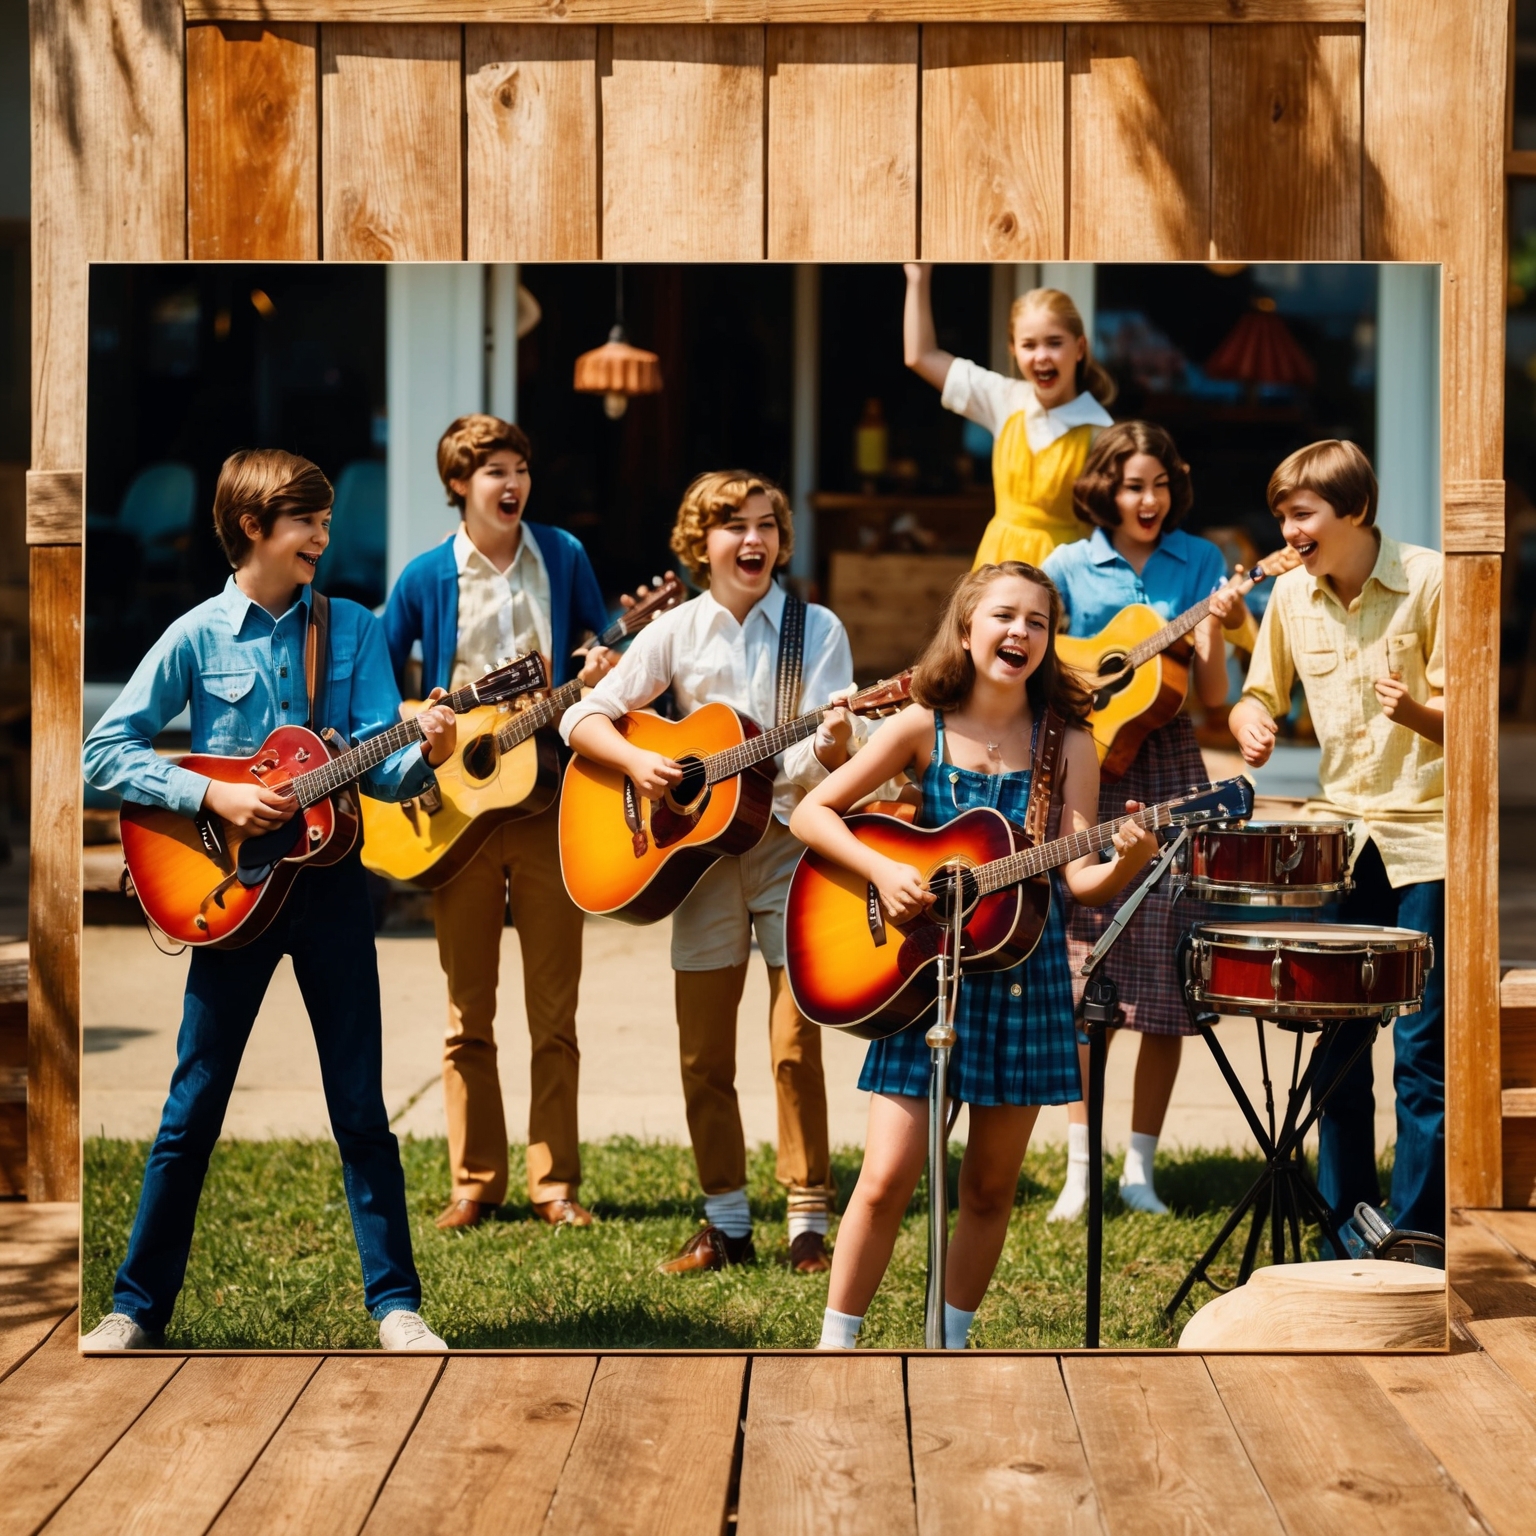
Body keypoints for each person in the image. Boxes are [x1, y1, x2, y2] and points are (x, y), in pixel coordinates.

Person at [81, 449, 457, 1351]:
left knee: (360, 1109)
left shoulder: (355, 629)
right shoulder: (196, 634)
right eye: (308, 525)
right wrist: (213, 796)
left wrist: (430, 747)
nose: (323, 541)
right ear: (253, 528)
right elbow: (105, 751)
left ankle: (397, 1308)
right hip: (229, 892)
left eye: (325, 524)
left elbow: (385, 764)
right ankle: (135, 1308)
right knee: (192, 1106)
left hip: (328, 893)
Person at [790, 561, 1159, 1350]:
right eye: (1003, 616)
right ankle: (836, 1344)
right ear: (966, 630)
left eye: (1036, 621)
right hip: (923, 977)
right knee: (888, 1176)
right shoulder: (923, 725)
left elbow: (1080, 876)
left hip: (1024, 980)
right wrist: (887, 873)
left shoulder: (1068, 747)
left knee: (990, 1188)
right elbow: (814, 815)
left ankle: (948, 1343)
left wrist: (1127, 858)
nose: (1019, 632)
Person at [562, 470, 857, 1275]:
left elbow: (817, 753)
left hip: (792, 847)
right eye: (734, 527)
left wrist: (832, 745)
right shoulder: (676, 632)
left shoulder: (815, 629)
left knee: (795, 1044)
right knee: (703, 1054)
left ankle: (807, 1223)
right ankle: (725, 1221)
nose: (753, 540)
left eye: (766, 525)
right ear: (702, 544)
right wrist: (640, 764)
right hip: (696, 862)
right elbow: (580, 715)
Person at [383, 414, 616, 1231]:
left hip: (551, 799)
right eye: (494, 472)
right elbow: (379, 685)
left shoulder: (563, 554)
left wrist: (601, 664)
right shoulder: (424, 576)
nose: (511, 484)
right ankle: (475, 1181)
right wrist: (429, 720)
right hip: (460, 813)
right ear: (460, 485)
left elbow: (598, 643)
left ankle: (556, 1185)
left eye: (520, 468)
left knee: (556, 1012)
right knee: (466, 1010)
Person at [1228, 440, 1445, 1241]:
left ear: (1352, 510)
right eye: (1282, 514)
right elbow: (1258, 695)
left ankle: (1421, 1234)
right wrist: (1250, 718)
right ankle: (1345, 1229)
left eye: (1300, 514)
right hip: (1341, 844)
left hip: (1430, 843)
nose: (1286, 530)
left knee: (1422, 1054)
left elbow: (1472, 719)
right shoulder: (1289, 597)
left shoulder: (1431, 581)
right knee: (1340, 1053)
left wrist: (1417, 714)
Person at [1042, 421, 1252, 1219]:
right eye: (1133, 486)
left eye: (1160, 485)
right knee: (1081, 966)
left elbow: (1210, 702)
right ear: (1106, 488)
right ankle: (1077, 1171)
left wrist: (1214, 633)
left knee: (1166, 976)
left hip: (1169, 769)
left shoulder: (1201, 562)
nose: (1148, 500)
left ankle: (1138, 1170)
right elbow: (1048, 669)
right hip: (1086, 770)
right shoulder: (1066, 565)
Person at [903, 263, 1115, 570]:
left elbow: (1108, 528)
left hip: (1063, 575)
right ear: (1013, 350)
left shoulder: (1100, 429)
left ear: (1080, 347)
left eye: (1054, 343)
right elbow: (920, 356)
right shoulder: (1005, 399)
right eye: (1029, 345)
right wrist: (918, 278)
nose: (1041, 355)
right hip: (998, 568)